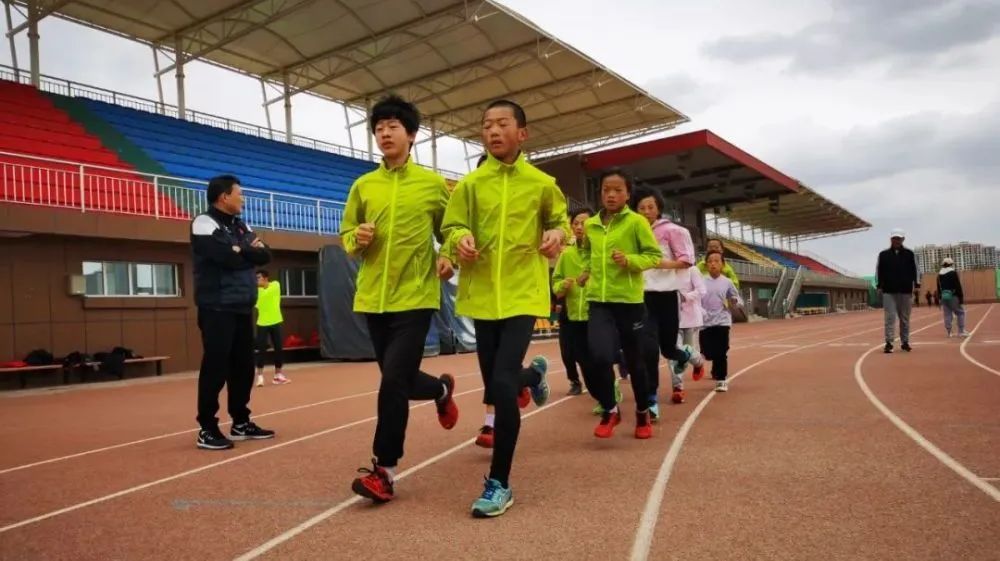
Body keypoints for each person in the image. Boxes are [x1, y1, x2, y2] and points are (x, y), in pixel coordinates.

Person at [440, 99, 568, 518]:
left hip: (522, 293)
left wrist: (556, 234)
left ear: (522, 133)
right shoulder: (471, 185)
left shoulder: (542, 183)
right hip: (481, 295)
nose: (493, 131)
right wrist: (458, 240)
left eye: (502, 124)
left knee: (499, 386)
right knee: (500, 383)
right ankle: (534, 375)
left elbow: (561, 222)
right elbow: (451, 226)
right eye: (486, 125)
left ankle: (499, 483)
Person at [340, 95, 459, 504]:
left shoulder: (432, 185)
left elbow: (451, 231)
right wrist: (357, 238)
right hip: (373, 298)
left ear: (411, 134)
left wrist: (448, 255)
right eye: (379, 128)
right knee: (401, 381)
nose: (385, 133)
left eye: (393, 126)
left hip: (416, 296)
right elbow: (346, 236)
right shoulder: (363, 186)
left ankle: (384, 471)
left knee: (392, 381)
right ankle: (441, 391)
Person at [191, 174, 275, 450]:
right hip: (216, 306)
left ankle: (241, 421)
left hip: (241, 306)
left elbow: (266, 255)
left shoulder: (241, 225)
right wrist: (243, 251)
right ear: (224, 196)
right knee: (215, 367)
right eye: (240, 194)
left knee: (243, 368)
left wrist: (240, 250)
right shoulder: (204, 223)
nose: (244, 199)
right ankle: (207, 428)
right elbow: (225, 257)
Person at [581, 169, 663, 439]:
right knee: (599, 356)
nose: (611, 195)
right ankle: (610, 409)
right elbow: (586, 252)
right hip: (599, 301)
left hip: (629, 301)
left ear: (628, 194)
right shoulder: (591, 225)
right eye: (606, 190)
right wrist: (586, 270)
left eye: (617, 190)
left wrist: (629, 260)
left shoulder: (637, 222)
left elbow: (653, 256)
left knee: (635, 361)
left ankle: (642, 412)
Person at [632, 187, 702, 416]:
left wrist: (660, 263)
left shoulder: (673, 231)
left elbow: (687, 260)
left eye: (650, 207)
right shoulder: (633, 231)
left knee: (669, 349)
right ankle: (651, 398)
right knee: (648, 350)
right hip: (643, 297)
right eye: (641, 208)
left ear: (659, 208)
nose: (646, 211)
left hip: (668, 296)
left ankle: (686, 355)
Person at [553, 206, 596, 397]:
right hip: (570, 311)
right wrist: (562, 286)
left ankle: (605, 388)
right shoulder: (567, 254)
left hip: (594, 310)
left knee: (596, 355)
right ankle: (575, 380)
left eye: (583, 223)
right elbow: (555, 282)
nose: (579, 227)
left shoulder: (599, 252)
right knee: (568, 352)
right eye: (575, 223)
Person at [700, 250, 742, 392]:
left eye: (716, 261)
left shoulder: (727, 282)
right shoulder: (701, 281)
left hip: (722, 321)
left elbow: (737, 298)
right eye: (710, 261)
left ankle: (721, 380)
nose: (713, 264)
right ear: (706, 265)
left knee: (721, 351)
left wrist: (735, 301)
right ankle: (713, 366)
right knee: (707, 353)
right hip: (705, 322)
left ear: (723, 264)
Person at [876, 228, 919, 353]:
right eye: (894, 238)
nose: (896, 240)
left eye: (899, 238)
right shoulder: (883, 255)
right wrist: (879, 286)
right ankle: (889, 343)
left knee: (904, 318)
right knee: (889, 318)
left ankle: (905, 342)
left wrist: (917, 285)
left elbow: (916, 270)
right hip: (889, 291)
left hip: (905, 291)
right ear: (891, 239)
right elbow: (878, 271)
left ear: (903, 239)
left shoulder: (910, 254)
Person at [254, 270, 290, 386]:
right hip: (262, 323)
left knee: (278, 348)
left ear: (265, 278)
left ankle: (278, 375)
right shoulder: (256, 292)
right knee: (261, 350)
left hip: (276, 321)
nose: (256, 280)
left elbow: (266, 293)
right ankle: (260, 376)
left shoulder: (276, 285)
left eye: (258, 278)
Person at [677, 264, 707, 391]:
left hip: (690, 319)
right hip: (672, 319)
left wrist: (685, 297)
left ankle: (698, 362)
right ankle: (678, 388)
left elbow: (702, 290)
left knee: (688, 353)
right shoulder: (666, 270)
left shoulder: (692, 270)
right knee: (675, 352)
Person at [937, 257, 969, 337]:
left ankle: (949, 332)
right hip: (953, 296)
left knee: (947, 314)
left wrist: (940, 298)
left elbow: (938, 288)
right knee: (960, 313)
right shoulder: (953, 273)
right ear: (951, 264)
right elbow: (958, 286)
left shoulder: (939, 275)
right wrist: (961, 297)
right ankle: (961, 331)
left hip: (944, 297)